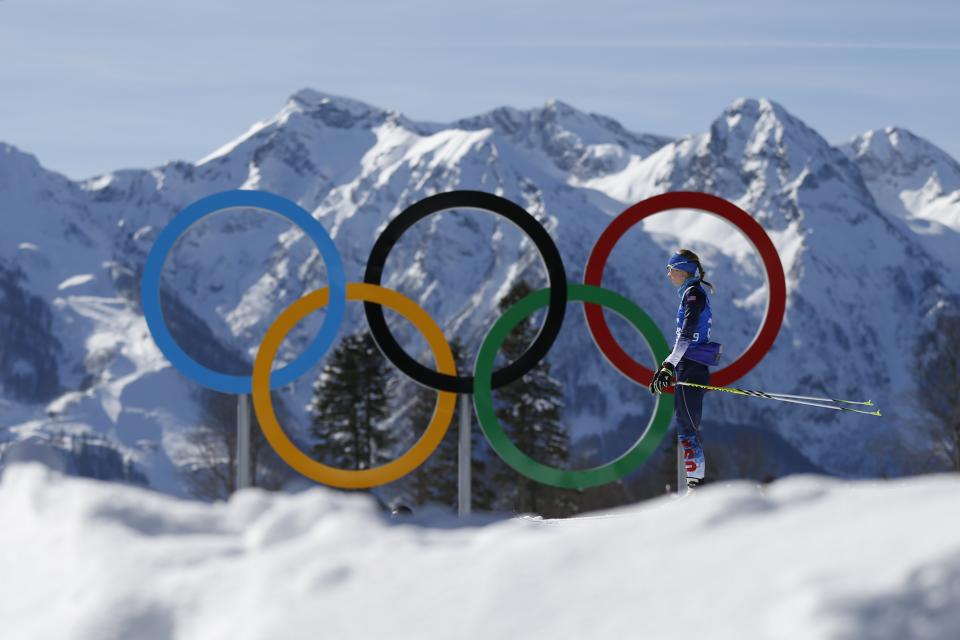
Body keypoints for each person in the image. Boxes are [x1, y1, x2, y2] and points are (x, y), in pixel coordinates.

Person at [649, 250, 719, 491]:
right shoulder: (692, 293)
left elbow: (687, 335)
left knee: (687, 426)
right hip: (689, 365)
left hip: (692, 366)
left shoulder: (693, 295)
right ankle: (694, 484)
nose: (668, 274)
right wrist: (670, 364)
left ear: (682, 270)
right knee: (684, 424)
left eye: (670, 269)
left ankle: (696, 487)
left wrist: (668, 364)